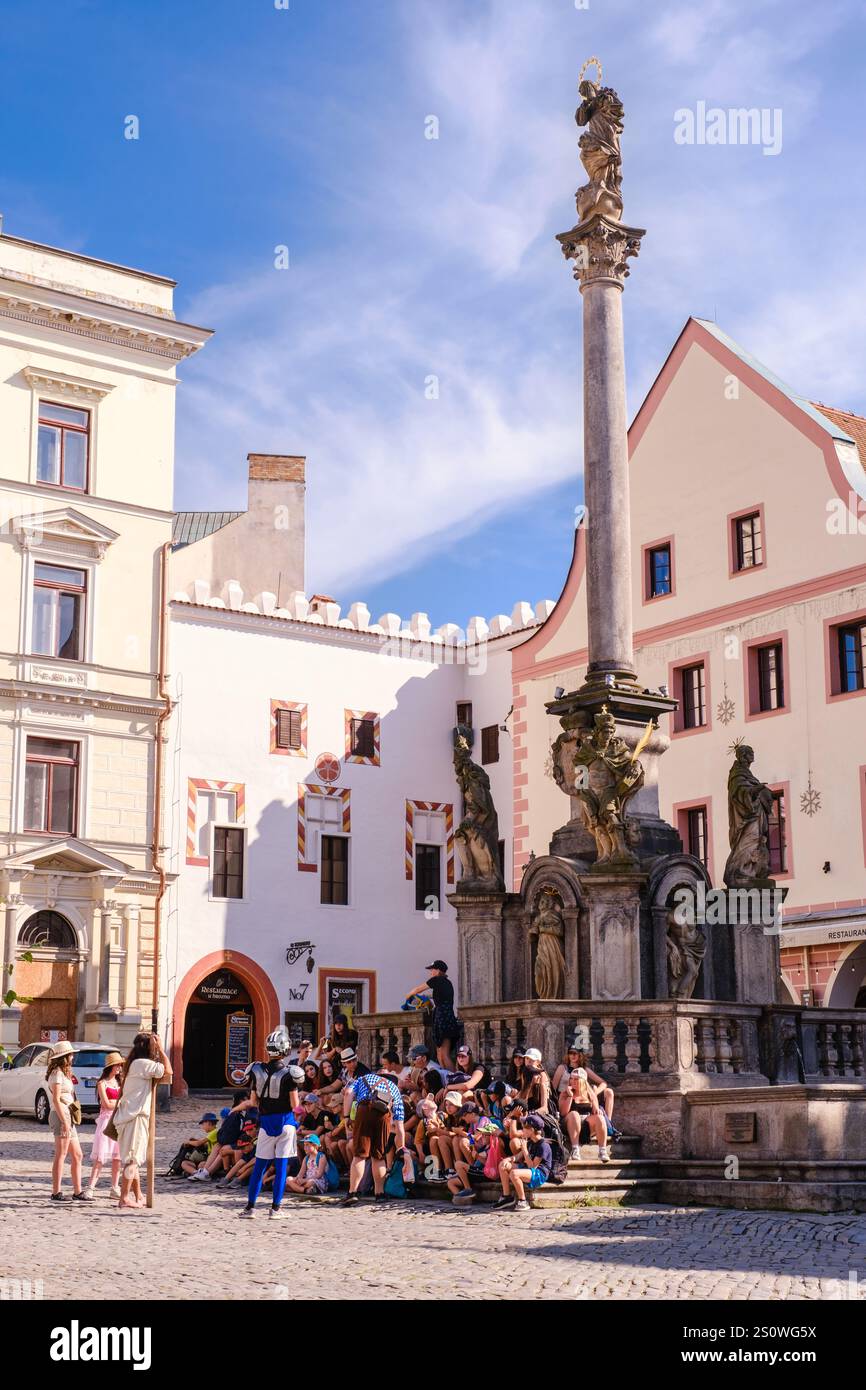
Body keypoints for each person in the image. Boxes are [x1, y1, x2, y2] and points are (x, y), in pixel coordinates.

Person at [236, 1027, 304, 1220]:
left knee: (260, 1166)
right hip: (285, 1122)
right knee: (281, 1166)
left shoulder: (256, 1070)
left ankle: (250, 1207)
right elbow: (295, 1104)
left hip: (266, 1122)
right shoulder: (291, 1073)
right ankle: (276, 1208)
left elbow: (253, 1101)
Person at [113, 1031, 172, 1211]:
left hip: (128, 1117)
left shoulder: (134, 1063)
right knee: (132, 1160)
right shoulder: (143, 1064)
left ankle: (138, 1195)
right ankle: (124, 1198)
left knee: (133, 1159)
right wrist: (161, 1050)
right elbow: (168, 1071)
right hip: (135, 1118)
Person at [340, 1063, 407, 1206]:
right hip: (384, 1116)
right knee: (379, 1156)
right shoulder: (394, 1089)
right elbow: (400, 1124)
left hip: (364, 1110)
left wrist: (346, 1117)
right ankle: (380, 1193)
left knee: (360, 1155)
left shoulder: (364, 1078)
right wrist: (401, 1148)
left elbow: (347, 1093)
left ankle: (353, 1192)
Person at [46, 1041, 87, 1202]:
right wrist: (64, 1121)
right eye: (70, 1054)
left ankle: (78, 1191)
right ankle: (56, 1192)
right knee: (61, 1154)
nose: (73, 1056)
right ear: (64, 1056)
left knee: (77, 1154)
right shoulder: (56, 1073)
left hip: (68, 1114)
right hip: (60, 1114)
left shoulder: (64, 1073)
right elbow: (56, 1099)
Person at [405, 961, 460, 1070]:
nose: (431, 972)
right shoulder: (447, 983)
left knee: (443, 1054)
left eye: (432, 970)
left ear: (438, 970)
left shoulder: (436, 980)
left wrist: (408, 995)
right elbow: (441, 997)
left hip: (443, 1018)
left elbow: (417, 989)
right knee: (440, 1054)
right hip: (446, 1017)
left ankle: (453, 1078)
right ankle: (446, 1078)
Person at [84, 1051, 124, 1199]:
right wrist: (119, 1103)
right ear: (111, 1066)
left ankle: (115, 1187)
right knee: (100, 1157)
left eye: (120, 1065)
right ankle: (90, 1187)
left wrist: (118, 1104)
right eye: (118, 1065)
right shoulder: (102, 1083)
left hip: (119, 1121)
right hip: (106, 1121)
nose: (120, 1067)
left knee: (117, 1157)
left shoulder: (120, 1083)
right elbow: (106, 1104)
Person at [495, 1114, 552, 1211]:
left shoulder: (544, 1146)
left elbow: (533, 1166)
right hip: (529, 1169)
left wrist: (525, 1150)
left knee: (514, 1174)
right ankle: (506, 1196)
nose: (522, 1129)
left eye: (524, 1127)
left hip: (539, 1174)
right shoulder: (530, 1142)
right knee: (503, 1165)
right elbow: (518, 1156)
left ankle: (523, 1201)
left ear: (532, 1130)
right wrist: (508, 1159)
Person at [559, 1068, 610, 1162]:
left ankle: (602, 1150)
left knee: (600, 1117)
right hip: (569, 1124)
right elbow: (563, 1113)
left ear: (583, 1081)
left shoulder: (590, 1094)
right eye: (571, 1078)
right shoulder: (565, 1093)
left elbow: (595, 1111)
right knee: (574, 1114)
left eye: (576, 1079)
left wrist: (597, 1110)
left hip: (586, 1125)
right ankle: (575, 1149)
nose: (572, 1081)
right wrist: (570, 1096)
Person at [181, 1112, 219, 1177]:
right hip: (207, 1157)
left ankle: (197, 1173)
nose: (203, 1127)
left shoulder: (214, 1132)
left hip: (211, 1158)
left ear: (208, 1123)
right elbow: (205, 1144)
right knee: (184, 1163)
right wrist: (195, 1140)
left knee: (201, 1165)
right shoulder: (212, 1133)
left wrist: (188, 1142)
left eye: (203, 1124)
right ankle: (195, 1173)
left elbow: (199, 1144)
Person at [519, 1048, 551, 1116]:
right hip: (527, 1107)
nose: (528, 1062)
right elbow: (522, 1095)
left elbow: (544, 1108)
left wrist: (530, 1114)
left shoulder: (542, 1075)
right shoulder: (525, 1073)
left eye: (532, 1060)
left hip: (538, 1111)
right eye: (527, 1058)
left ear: (538, 1062)